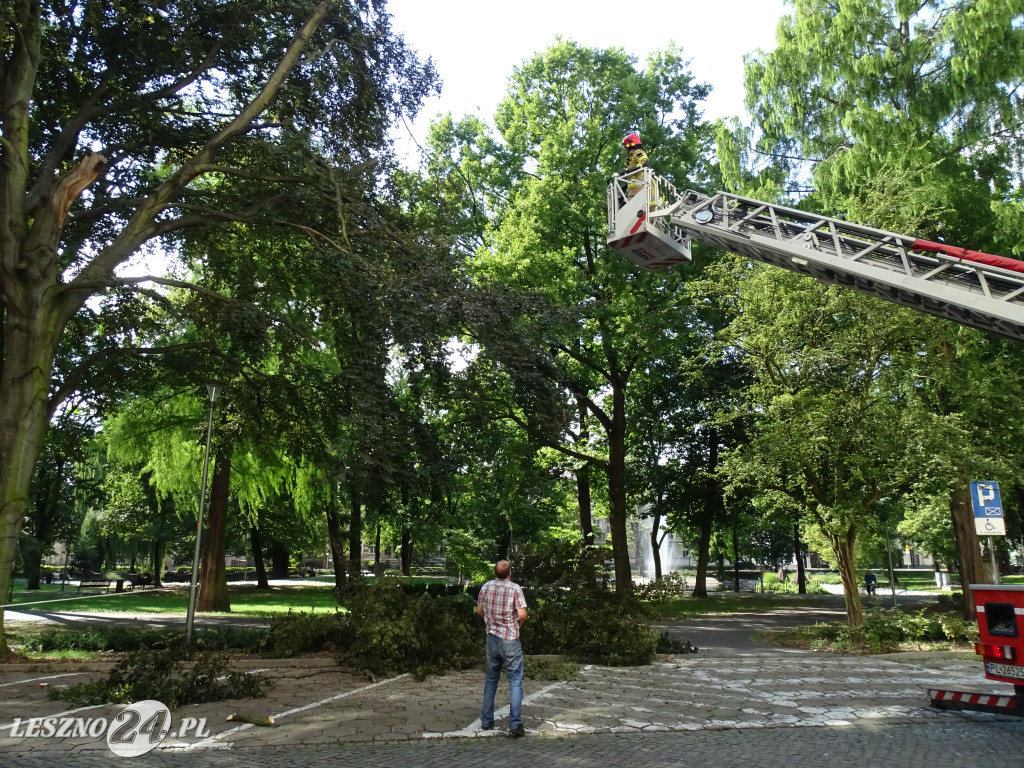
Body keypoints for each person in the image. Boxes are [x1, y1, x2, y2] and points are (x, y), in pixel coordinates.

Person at [476, 559, 528, 736]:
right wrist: (519, 622)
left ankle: (486, 720)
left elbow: (479, 610)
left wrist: (489, 621)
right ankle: (514, 724)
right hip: (510, 639)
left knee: (491, 678)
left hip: (492, 638)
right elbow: (522, 613)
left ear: (495, 572)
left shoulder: (486, 587)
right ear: (510, 573)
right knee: (514, 680)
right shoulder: (515, 588)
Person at [622, 132, 650, 200]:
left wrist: (630, 170)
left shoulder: (637, 152)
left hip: (639, 187)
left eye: (625, 146)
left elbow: (644, 162)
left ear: (630, 144)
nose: (625, 149)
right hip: (634, 189)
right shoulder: (631, 157)